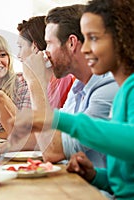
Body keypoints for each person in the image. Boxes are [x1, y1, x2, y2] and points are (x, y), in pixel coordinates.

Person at [11, 0, 134, 198]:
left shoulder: (123, 89)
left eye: (93, 38)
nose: (85, 49)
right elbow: (123, 180)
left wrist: (56, 117)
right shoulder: (122, 91)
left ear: (121, 38)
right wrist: (94, 176)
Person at [15, 4, 119, 168]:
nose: (45, 52)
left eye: (49, 43)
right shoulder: (78, 85)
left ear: (71, 43)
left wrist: (36, 82)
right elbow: (50, 136)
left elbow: (52, 150)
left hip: (97, 192)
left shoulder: (109, 86)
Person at [17, 16, 74, 109]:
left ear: (35, 47)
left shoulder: (64, 81)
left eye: (20, 46)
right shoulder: (22, 81)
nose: (18, 55)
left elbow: (43, 121)